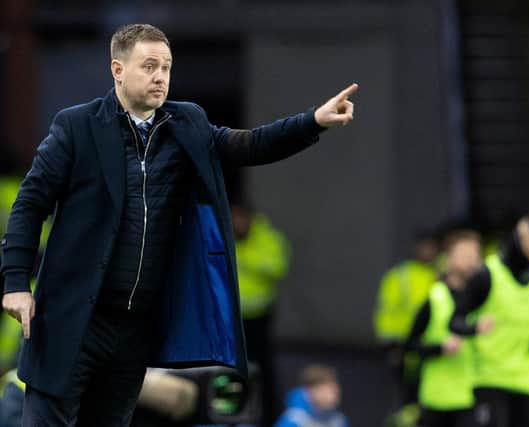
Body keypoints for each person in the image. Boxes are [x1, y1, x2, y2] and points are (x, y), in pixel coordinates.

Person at [0, 23, 357, 425]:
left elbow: (251, 143)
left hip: (134, 329)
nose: (160, 76)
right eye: (149, 66)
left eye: (166, 67)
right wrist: (15, 282)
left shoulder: (187, 124)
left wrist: (314, 121)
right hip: (74, 320)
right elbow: (30, 203)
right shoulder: (76, 126)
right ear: (117, 70)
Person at [450, 216, 529, 427]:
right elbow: (454, 321)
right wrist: (475, 328)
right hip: (491, 379)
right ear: (520, 240)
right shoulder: (487, 275)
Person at [405, 230, 483, 427]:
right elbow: (410, 345)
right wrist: (440, 348)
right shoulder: (435, 298)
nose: (471, 262)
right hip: (436, 399)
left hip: (473, 397)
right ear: (448, 260)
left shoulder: (486, 300)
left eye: (475, 256)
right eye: (465, 256)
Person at [232, 203, 290, 426]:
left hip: (259, 314)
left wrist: (245, 259)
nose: (237, 224)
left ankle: (268, 414)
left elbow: (278, 267)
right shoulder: (225, 234)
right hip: (233, 315)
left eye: (240, 218)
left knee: (262, 365)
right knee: (233, 366)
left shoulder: (267, 238)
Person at [374, 231, 440, 403]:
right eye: (425, 247)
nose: (428, 251)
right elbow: (387, 312)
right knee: (403, 395)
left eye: (432, 247)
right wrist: (392, 345)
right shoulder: (400, 275)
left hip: (428, 346)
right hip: (402, 345)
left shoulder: (438, 275)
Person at [274, 365, 348, 427]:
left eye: (335, 391)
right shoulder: (294, 419)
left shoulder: (338, 419)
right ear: (309, 392)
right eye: (327, 391)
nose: (334, 396)